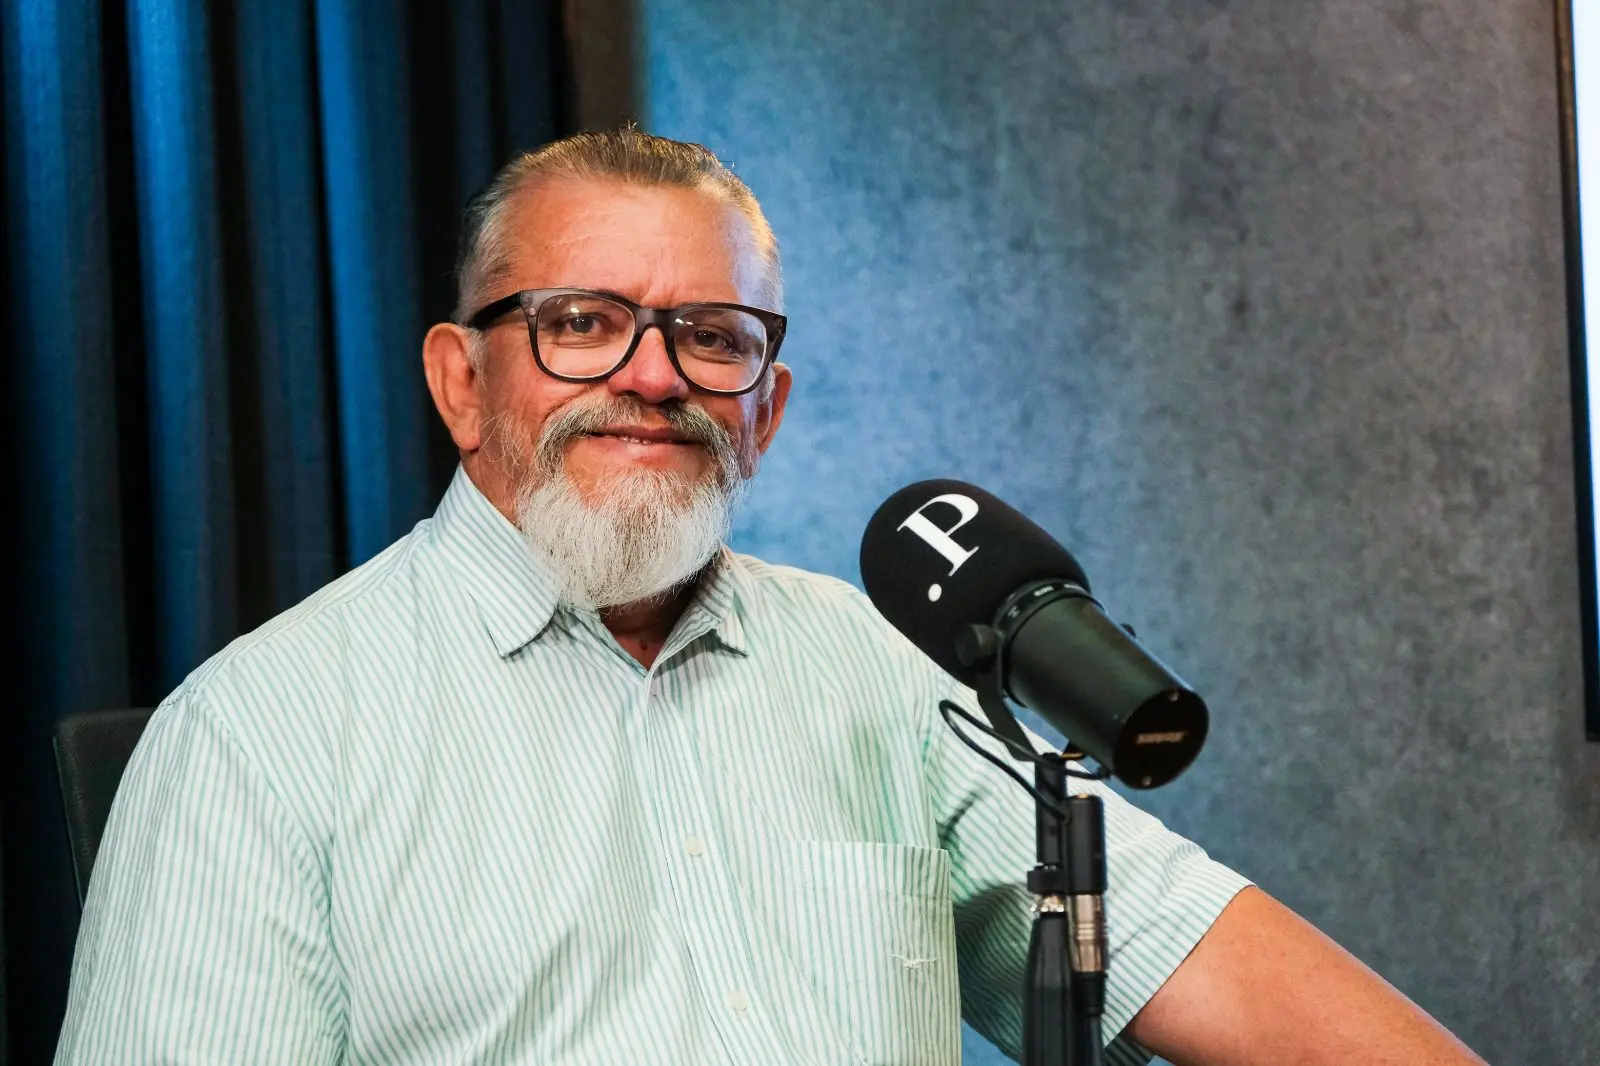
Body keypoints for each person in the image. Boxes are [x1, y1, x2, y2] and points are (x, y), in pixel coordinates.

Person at [56, 129, 1484, 1065]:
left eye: (713, 335)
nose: (654, 374)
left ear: (769, 408)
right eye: (581, 323)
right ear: (460, 381)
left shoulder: (880, 670)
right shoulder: (257, 735)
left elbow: (1208, 961)